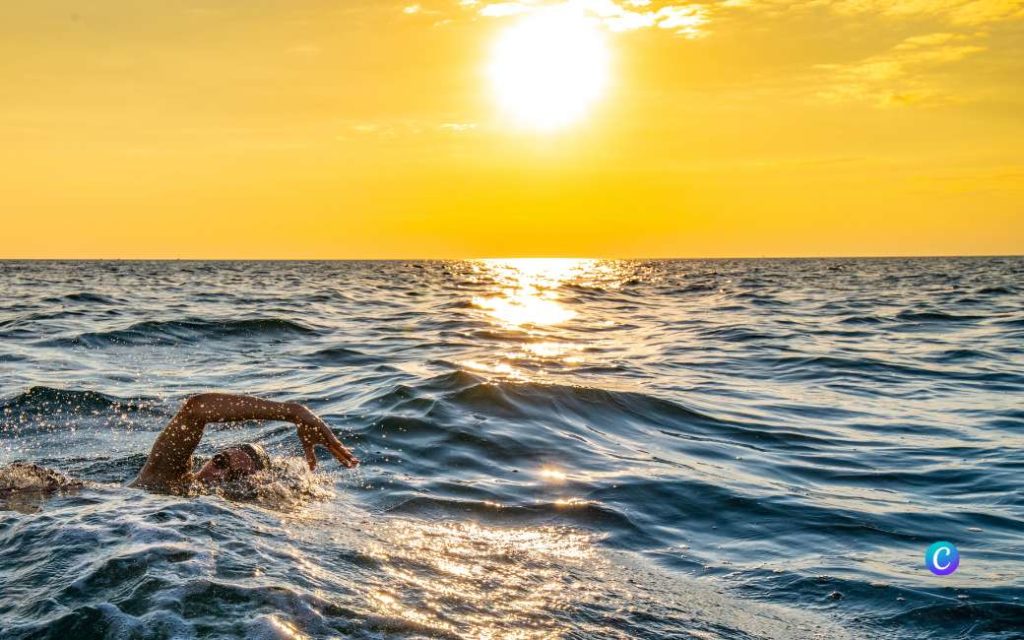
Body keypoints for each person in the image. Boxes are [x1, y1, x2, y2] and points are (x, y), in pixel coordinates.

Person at [129, 392, 358, 493]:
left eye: (235, 477)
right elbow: (196, 410)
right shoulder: (166, 478)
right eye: (220, 461)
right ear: (210, 458)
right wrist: (292, 412)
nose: (218, 475)